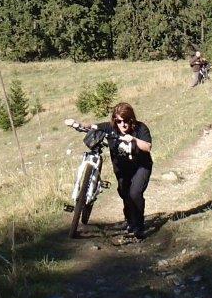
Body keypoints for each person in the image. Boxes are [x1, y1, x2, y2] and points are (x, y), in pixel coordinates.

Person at [65, 102, 153, 242]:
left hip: (141, 166)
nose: (123, 124)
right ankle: (130, 221)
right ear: (115, 120)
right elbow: (92, 127)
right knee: (124, 194)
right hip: (122, 169)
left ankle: (139, 227)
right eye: (119, 121)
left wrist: (134, 139)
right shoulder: (110, 128)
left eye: (126, 121)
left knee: (135, 193)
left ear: (132, 119)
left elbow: (147, 146)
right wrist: (77, 124)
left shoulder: (141, 128)